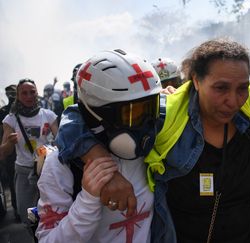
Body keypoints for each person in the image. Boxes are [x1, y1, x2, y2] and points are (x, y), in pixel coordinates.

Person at [55, 38, 250, 243]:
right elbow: (76, 116)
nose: (233, 101)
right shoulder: (166, 118)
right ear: (195, 80)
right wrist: (101, 164)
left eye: (241, 88)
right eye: (221, 88)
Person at [36, 49, 160, 243]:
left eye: (151, 109)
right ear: (97, 114)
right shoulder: (60, 166)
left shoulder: (155, 149)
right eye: (133, 114)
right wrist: (88, 200)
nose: (146, 125)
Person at [0, 79, 58, 230]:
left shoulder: (49, 115)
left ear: (37, 93)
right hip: (24, 172)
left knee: (51, 210)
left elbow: (60, 141)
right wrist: (10, 143)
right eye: (24, 93)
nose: (29, 96)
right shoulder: (10, 119)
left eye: (32, 92)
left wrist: (55, 145)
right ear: (18, 96)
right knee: (27, 213)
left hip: (46, 170)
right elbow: (3, 152)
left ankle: (47, 235)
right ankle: (35, 233)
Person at [0, 84, 19, 220]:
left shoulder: (25, 110)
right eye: (8, 94)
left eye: (13, 93)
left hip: (24, 151)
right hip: (9, 152)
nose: (10, 96)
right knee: (12, 182)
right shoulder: (3, 112)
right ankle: (17, 210)